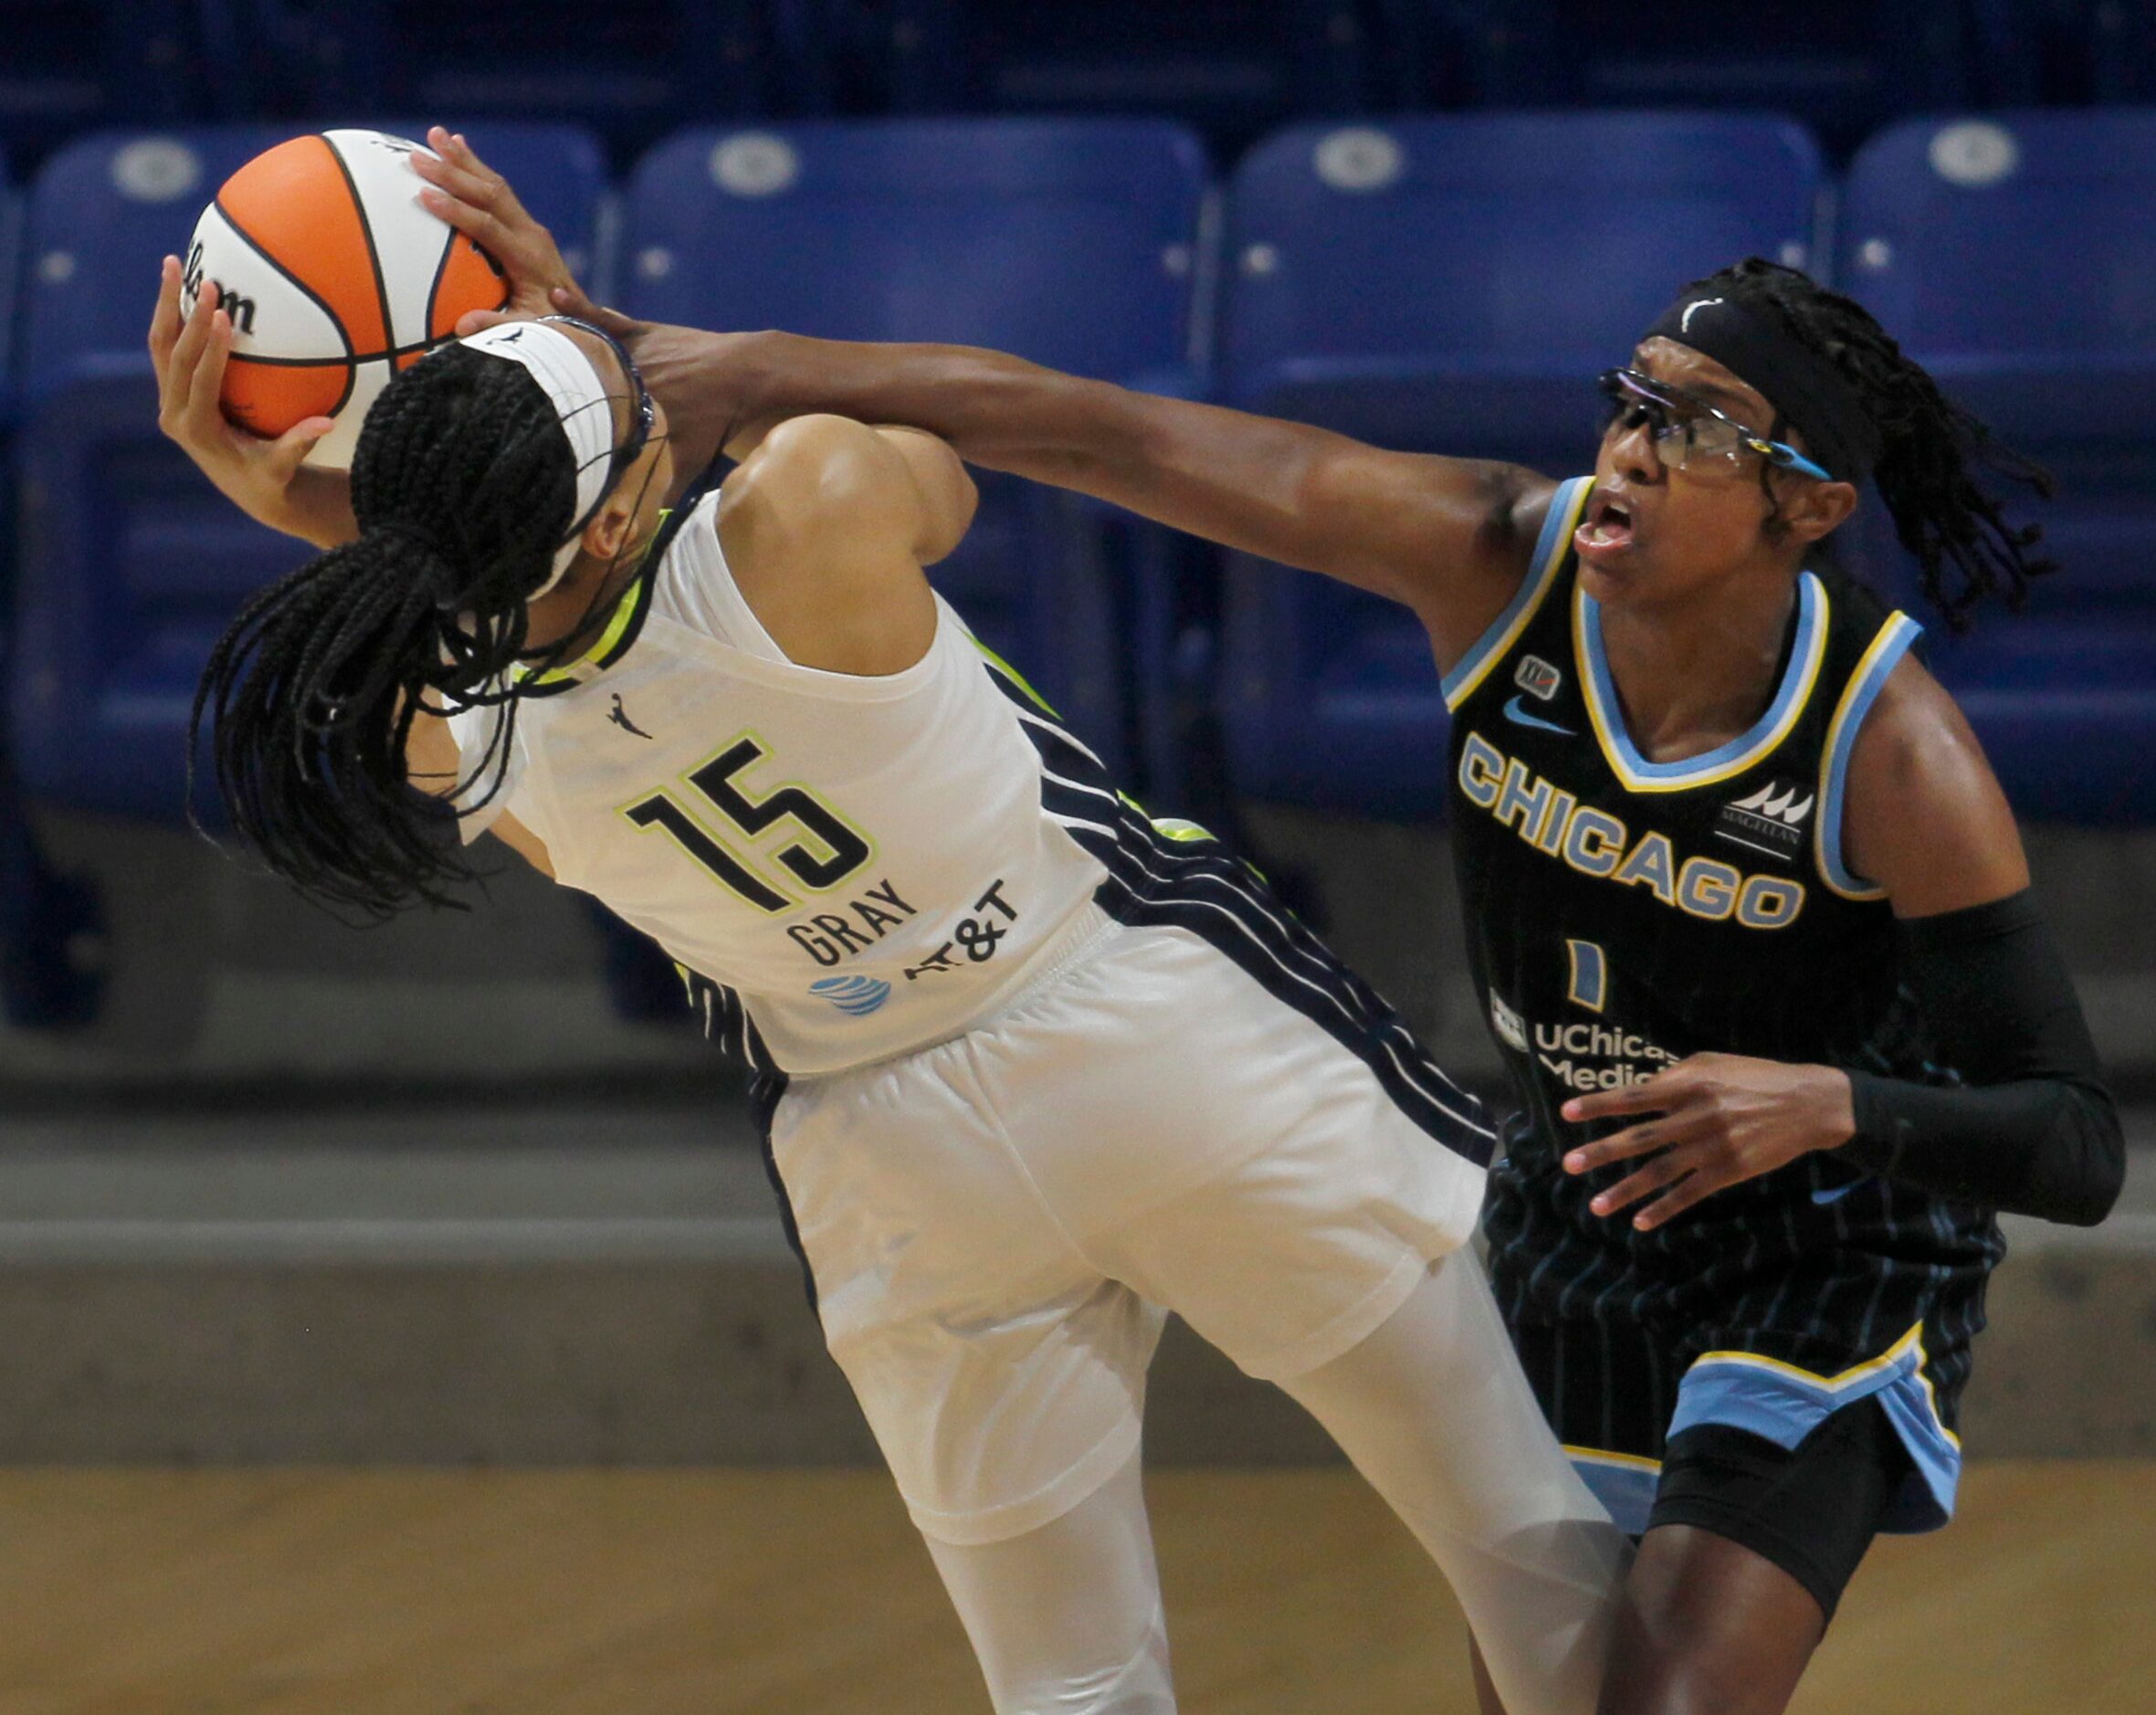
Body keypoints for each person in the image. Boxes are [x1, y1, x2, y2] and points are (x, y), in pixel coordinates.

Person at [406, 135, 2127, 1714]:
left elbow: (2069, 1137)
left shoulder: (1888, 751)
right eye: (1629, 399)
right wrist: (709, 365)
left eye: (1695, 431)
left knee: (1645, 1710)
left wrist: (1825, 1104)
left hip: (1816, 1246)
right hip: (1580, 1218)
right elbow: (1105, 432)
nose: (1625, 448)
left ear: (1807, 505)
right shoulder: (1488, 556)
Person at [149, 136, 1630, 1715]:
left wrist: (294, 490)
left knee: (1070, 1686)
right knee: (1528, 1552)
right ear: (614, 505)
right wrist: (579, 316)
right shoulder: (812, 510)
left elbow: (457, 594)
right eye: (637, 430)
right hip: (1149, 1032)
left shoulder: (439, 734)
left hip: (889, 1167)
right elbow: (955, 454)